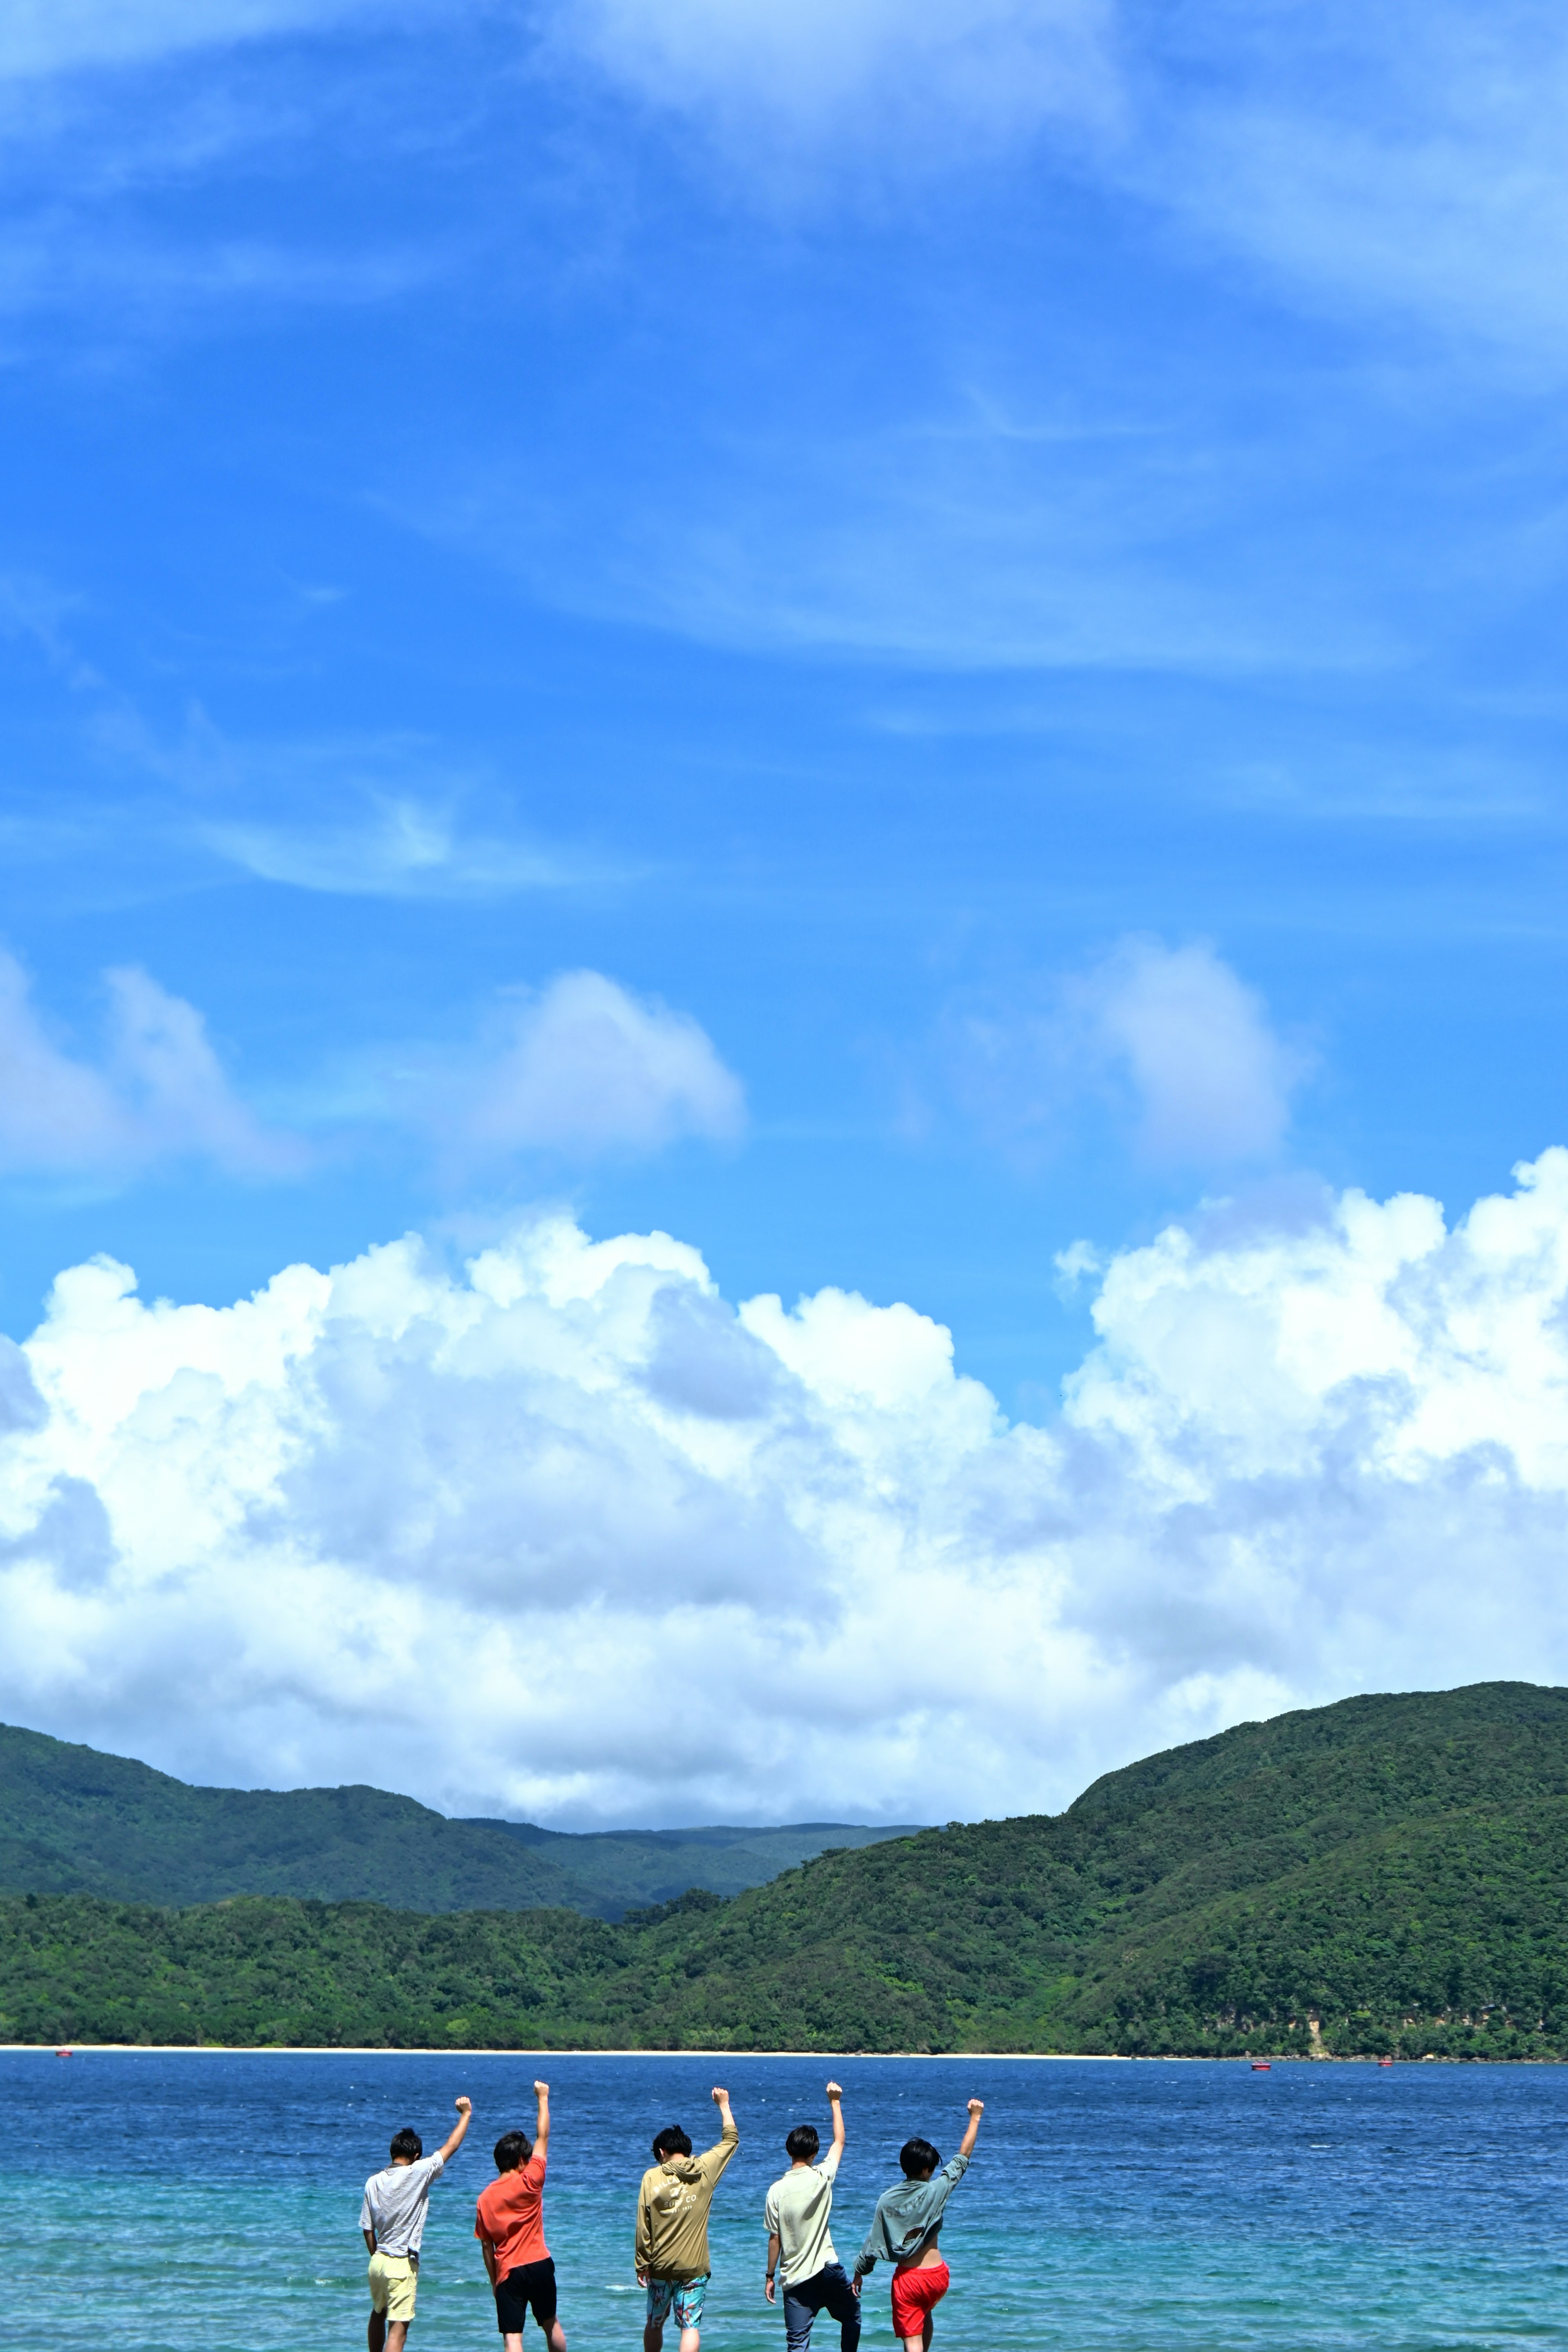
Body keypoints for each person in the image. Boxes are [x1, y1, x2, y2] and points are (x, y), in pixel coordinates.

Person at [853, 2100, 984, 2352]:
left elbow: (873, 2241)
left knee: (912, 2339)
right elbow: (962, 2158)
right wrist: (975, 2118)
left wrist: (860, 2271)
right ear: (926, 2169)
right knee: (925, 2313)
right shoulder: (937, 2190)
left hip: (911, 2281)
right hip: (938, 2277)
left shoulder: (887, 2199)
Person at [361, 2094, 473, 2352]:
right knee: (399, 2329)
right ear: (416, 2155)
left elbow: (368, 2228)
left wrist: (378, 2254)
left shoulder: (373, 2182)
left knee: (378, 2313)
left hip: (377, 2262)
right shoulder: (418, 2172)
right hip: (401, 2262)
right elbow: (451, 2146)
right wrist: (466, 2114)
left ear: (393, 2152)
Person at [636, 2085, 740, 2352]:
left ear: (661, 2153)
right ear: (688, 2150)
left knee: (654, 2322)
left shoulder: (652, 2177)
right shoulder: (704, 2170)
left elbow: (644, 2225)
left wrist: (642, 2264)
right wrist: (724, 2105)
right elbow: (731, 2140)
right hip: (694, 2267)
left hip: (660, 2267)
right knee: (690, 2327)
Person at [764, 2079, 860, 2352]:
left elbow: (775, 2239)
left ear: (789, 2151)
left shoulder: (776, 2191)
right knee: (852, 2316)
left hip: (795, 2279)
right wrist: (835, 2101)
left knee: (797, 2344)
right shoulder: (822, 2176)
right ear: (815, 2153)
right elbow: (840, 2141)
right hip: (828, 2270)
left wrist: (770, 2276)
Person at [476, 2081, 566, 2352]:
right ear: (520, 2162)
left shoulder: (485, 2199)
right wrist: (543, 2098)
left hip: (509, 2272)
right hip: (539, 2263)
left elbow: (486, 2246)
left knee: (513, 2337)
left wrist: (495, 2284)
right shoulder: (531, 2181)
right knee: (551, 2324)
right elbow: (543, 2136)